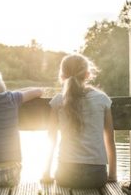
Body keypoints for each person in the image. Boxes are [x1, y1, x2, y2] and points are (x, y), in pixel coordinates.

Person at [42, 53, 117, 188]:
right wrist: (112, 175)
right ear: (88, 75)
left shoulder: (58, 101)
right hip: (96, 177)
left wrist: (46, 173)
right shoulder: (102, 99)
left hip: (66, 176)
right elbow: (109, 139)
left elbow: (51, 138)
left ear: (62, 76)